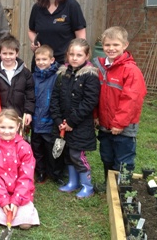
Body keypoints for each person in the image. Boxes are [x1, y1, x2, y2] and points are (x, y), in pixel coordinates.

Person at [93, 26, 147, 181]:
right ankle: (109, 186)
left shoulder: (131, 70)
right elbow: (97, 95)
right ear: (102, 46)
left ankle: (122, 189)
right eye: (107, 45)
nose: (111, 48)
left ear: (125, 45)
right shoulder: (101, 68)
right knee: (107, 156)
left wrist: (119, 123)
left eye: (115, 45)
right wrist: (96, 116)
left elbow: (132, 100)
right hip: (105, 125)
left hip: (124, 128)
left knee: (124, 160)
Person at [50, 38, 100, 198]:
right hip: (63, 125)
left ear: (86, 56)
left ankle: (87, 185)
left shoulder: (90, 76)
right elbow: (55, 98)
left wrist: (71, 122)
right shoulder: (63, 73)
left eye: (79, 55)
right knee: (67, 154)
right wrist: (59, 121)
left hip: (79, 125)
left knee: (77, 155)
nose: (74, 58)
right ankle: (73, 182)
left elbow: (89, 101)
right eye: (71, 54)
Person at [0, 108, 40, 230]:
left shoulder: (25, 147)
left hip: (20, 192)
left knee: (25, 224)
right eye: (3, 127)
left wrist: (16, 201)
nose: (7, 131)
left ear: (17, 127)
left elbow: (26, 177)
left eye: (11, 128)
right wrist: (4, 200)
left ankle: (21, 209)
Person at [28, 0, 86, 70]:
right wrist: (36, 45)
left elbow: (81, 38)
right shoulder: (37, 7)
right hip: (42, 64)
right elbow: (31, 30)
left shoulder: (71, 6)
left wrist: (76, 60)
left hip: (64, 65)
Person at [31, 45, 62, 184]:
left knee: (51, 148)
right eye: (38, 59)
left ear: (52, 60)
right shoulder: (32, 77)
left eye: (44, 59)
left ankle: (54, 173)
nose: (41, 62)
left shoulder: (57, 77)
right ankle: (41, 171)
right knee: (36, 148)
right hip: (35, 120)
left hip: (50, 120)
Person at [0, 36, 35, 128]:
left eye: (11, 53)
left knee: (17, 141)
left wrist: (28, 112)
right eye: (4, 53)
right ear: (0, 53)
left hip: (18, 115)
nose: (8, 57)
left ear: (17, 53)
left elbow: (30, 94)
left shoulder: (25, 72)